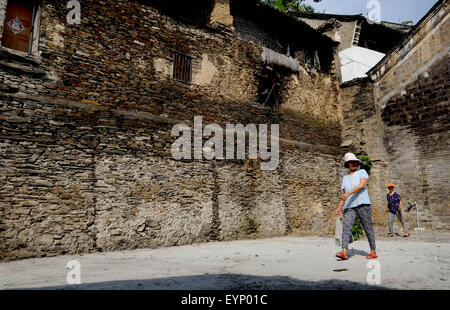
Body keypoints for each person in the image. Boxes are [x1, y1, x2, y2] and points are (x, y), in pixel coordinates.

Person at [335, 153, 378, 260]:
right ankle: (344, 252)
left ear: (357, 163)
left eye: (355, 162)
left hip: (363, 204)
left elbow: (362, 185)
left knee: (368, 228)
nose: (353, 164)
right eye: (351, 162)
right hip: (349, 206)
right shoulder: (345, 177)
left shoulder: (362, 172)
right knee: (346, 228)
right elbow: (343, 195)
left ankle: (373, 251)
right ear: (347, 164)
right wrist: (339, 207)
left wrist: (349, 193)